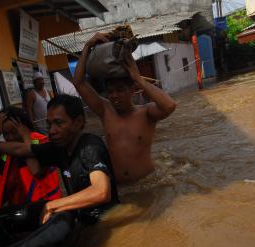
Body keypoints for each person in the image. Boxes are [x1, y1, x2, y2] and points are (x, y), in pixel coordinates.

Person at [0, 95, 119, 224]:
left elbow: (101, 192)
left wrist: (52, 206)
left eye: (59, 123)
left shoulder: (90, 147)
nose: (52, 131)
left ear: (78, 122)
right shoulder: (58, 148)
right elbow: (21, 150)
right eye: (49, 124)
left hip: (107, 220)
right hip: (84, 219)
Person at [72, 32, 178, 183]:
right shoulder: (104, 110)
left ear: (133, 90)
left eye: (120, 90)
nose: (114, 95)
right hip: (120, 187)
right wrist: (88, 46)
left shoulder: (146, 113)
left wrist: (138, 78)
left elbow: (170, 105)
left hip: (147, 185)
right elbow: (78, 83)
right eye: (110, 91)